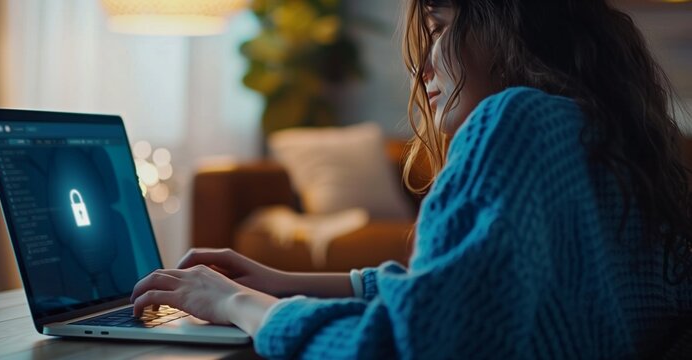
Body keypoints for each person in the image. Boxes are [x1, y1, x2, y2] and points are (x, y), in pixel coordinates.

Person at [130, 0, 692, 358]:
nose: (423, 65)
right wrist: (280, 282)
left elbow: (411, 341)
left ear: (505, 26)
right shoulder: (620, 144)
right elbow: (464, 292)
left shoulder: (514, 119)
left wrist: (235, 305)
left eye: (440, 26)